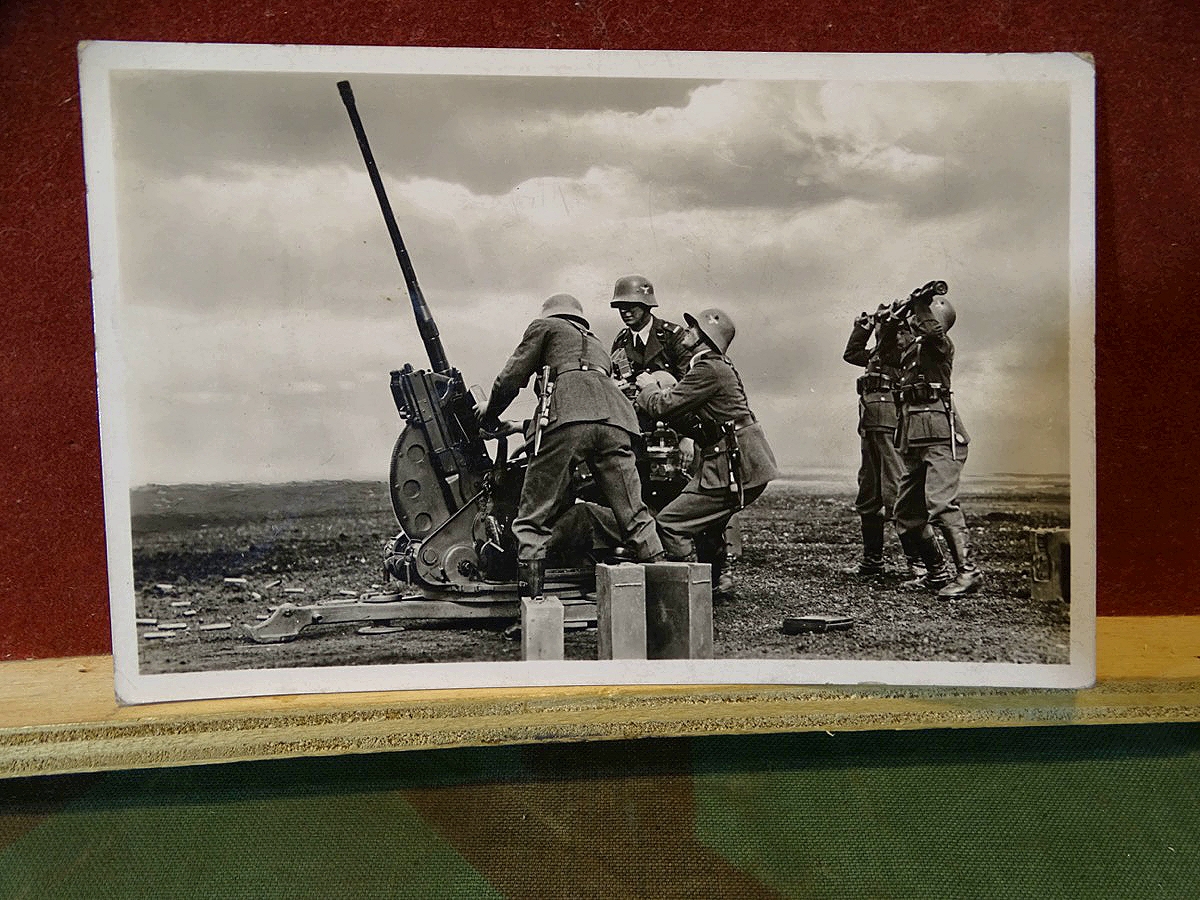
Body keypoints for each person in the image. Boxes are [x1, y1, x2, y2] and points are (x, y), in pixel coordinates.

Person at [478, 293, 664, 604]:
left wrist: (490, 412)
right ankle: (666, 604)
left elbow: (511, 378)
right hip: (617, 421)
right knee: (635, 516)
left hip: (567, 421)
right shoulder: (598, 344)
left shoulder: (545, 328)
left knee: (532, 519)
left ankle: (533, 612)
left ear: (549, 314)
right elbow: (587, 390)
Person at [633, 308, 778, 580]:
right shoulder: (716, 366)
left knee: (670, 523)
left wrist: (649, 387)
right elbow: (694, 418)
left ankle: (685, 591)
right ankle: (714, 583)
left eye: (693, 328)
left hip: (733, 464)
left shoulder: (707, 369)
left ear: (705, 339)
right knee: (707, 523)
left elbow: (664, 406)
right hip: (740, 459)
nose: (686, 331)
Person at [889, 291, 983, 598]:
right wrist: (889, 319)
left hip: (941, 437)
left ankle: (969, 573)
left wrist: (919, 302)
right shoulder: (911, 352)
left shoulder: (939, 346)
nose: (915, 322)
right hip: (915, 438)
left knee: (941, 505)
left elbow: (931, 331)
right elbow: (882, 349)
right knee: (906, 511)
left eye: (921, 317)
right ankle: (937, 573)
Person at [842, 304, 924, 579]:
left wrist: (887, 321)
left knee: (895, 489)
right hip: (871, 424)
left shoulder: (899, 350)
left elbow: (890, 342)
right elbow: (851, 353)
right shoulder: (879, 352)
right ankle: (872, 561)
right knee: (868, 492)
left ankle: (918, 562)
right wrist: (862, 328)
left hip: (888, 423)